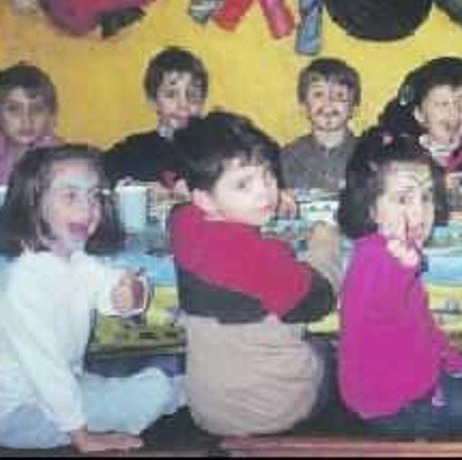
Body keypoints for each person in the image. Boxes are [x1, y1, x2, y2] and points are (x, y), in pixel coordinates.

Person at [336, 134, 462, 436]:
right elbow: (380, 302)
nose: (420, 212)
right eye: (403, 199)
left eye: (427, 196)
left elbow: (420, 326)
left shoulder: (386, 248)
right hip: (401, 411)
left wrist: (455, 361)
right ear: (370, 208)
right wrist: (401, 267)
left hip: (423, 381)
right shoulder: (379, 259)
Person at [168, 110, 340, 437]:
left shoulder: (183, 224)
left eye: (269, 176)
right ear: (205, 199)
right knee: (333, 349)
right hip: (274, 408)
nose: (265, 193)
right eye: (244, 184)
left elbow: (180, 209)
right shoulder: (263, 258)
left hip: (207, 406)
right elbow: (320, 299)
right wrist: (324, 243)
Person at [0, 144, 180, 453]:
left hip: (63, 389)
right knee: (157, 390)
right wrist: (83, 438)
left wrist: (133, 292)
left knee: (162, 383)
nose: (88, 208)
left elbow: (114, 288)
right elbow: (47, 371)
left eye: (94, 195)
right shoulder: (25, 282)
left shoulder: (77, 260)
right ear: (33, 204)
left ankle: (163, 393)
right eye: (70, 196)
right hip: (19, 414)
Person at [348, 56, 462, 200]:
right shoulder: (396, 154)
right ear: (419, 114)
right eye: (443, 104)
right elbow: (367, 198)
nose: (454, 113)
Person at [103, 46, 208, 188]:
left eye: (193, 95)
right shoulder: (131, 150)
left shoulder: (215, 150)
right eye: (171, 94)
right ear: (153, 101)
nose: (183, 105)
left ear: (203, 101)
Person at [280, 57, 361, 193]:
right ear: (303, 106)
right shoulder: (287, 158)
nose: (328, 103)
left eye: (339, 95)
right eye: (318, 94)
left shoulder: (368, 156)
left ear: (354, 108)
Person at [0, 62, 64, 184]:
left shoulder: (57, 157)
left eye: (37, 109)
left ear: (51, 115)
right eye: (13, 109)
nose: (26, 120)